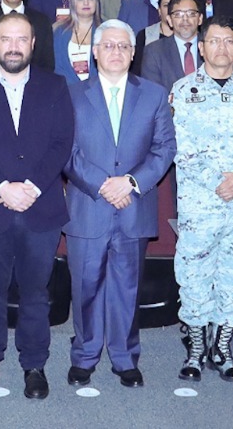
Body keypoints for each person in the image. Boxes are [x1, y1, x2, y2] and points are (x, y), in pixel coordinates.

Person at [0, 13, 73, 399]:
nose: (13, 46)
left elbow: (61, 142)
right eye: (6, 38)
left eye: (21, 39)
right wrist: (4, 187)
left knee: (36, 291)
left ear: (33, 43)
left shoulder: (55, 87)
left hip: (41, 209)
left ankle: (35, 365)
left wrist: (33, 188)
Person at [63, 19, 176, 389]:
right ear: (95, 53)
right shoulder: (71, 93)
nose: (116, 52)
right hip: (88, 205)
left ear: (133, 52)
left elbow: (164, 149)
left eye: (123, 46)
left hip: (132, 204)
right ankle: (85, 354)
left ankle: (126, 357)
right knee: (86, 285)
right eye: (108, 46)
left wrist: (130, 182)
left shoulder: (155, 95)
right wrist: (101, 185)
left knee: (128, 286)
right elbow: (65, 151)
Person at [171, 17, 233, 383]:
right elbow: (180, 148)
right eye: (214, 41)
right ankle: (197, 348)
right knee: (194, 276)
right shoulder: (184, 90)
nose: (223, 49)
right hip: (200, 203)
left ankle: (222, 347)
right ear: (201, 46)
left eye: (230, 41)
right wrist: (219, 181)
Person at [54, 0, 101, 82]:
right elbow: (57, 66)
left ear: (96, 2)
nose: (86, 3)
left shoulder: (105, 31)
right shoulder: (60, 32)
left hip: (97, 89)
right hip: (66, 89)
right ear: (73, 3)